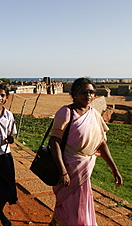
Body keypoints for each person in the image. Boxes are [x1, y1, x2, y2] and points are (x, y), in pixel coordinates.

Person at [49, 77, 123, 225]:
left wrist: (114, 169)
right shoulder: (66, 112)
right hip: (69, 168)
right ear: (75, 93)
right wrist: (63, 171)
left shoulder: (94, 114)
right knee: (69, 206)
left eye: (91, 92)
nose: (88, 95)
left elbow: (102, 144)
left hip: (85, 168)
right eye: (84, 92)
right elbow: (54, 142)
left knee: (79, 205)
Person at [0, 84, 18, 226]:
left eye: (2, 95)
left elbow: (12, 134)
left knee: (8, 187)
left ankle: (0, 211)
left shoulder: (9, 115)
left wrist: (11, 139)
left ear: (6, 98)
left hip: (4, 154)